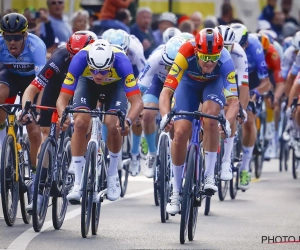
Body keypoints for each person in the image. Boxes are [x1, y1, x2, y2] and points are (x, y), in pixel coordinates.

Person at [159, 28, 239, 214]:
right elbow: (166, 92)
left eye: (214, 58)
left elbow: (234, 101)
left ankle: (210, 175)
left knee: (211, 118)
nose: (210, 63)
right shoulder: (185, 51)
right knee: (180, 132)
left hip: (213, 84)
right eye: (205, 58)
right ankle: (176, 191)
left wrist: (226, 121)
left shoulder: (225, 60)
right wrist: (165, 116)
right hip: (188, 84)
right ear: (196, 52)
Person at [57, 39, 144, 202]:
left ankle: (112, 175)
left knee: (113, 124)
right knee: (81, 122)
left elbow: (138, 102)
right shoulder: (79, 60)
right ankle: (78, 182)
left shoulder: (122, 62)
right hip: (87, 85)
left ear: (111, 63)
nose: (98, 75)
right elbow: (62, 98)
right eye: (94, 70)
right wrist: (63, 115)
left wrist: (128, 121)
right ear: (88, 63)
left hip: (115, 87)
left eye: (103, 71)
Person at [21, 30, 97, 212]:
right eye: (72, 55)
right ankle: (39, 191)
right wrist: (26, 109)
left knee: (83, 119)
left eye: (80, 56)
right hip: (58, 86)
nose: (75, 60)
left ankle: (80, 158)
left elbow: (98, 102)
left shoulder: (97, 62)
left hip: (83, 87)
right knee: (46, 133)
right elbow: (32, 89)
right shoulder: (58, 60)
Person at [0, 13, 46, 196]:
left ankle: (35, 178)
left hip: (33, 83)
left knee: (34, 131)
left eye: (17, 37)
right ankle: (3, 139)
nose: (12, 42)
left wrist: (37, 111)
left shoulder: (37, 47)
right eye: (7, 37)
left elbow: (43, 83)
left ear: (25, 36)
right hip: (9, 77)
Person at [129, 36, 186, 177]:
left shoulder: (189, 59)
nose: (169, 70)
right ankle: (152, 153)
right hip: (158, 84)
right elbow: (139, 88)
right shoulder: (155, 58)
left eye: (173, 67)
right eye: (167, 67)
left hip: (181, 86)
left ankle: (177, 156)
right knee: (147, 115)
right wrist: (136, 110)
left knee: (176, 122)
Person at [231, 23, 271, 190]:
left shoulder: (255, 49)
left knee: (248, 120)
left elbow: (266, 83)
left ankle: (245, 168)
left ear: (246, 44)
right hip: (232, 76)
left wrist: (255, 92)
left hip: (252, 79)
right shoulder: (227, 45)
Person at [217, 25, 249, 180]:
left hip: (231, 77)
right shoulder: (209, 49)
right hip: (214, 75)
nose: (225, 50)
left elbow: (244, 86)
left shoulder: (238, 53)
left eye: (228, 47)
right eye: (222, 46)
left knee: (233, 108)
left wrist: (241, 109)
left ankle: (226, 160)